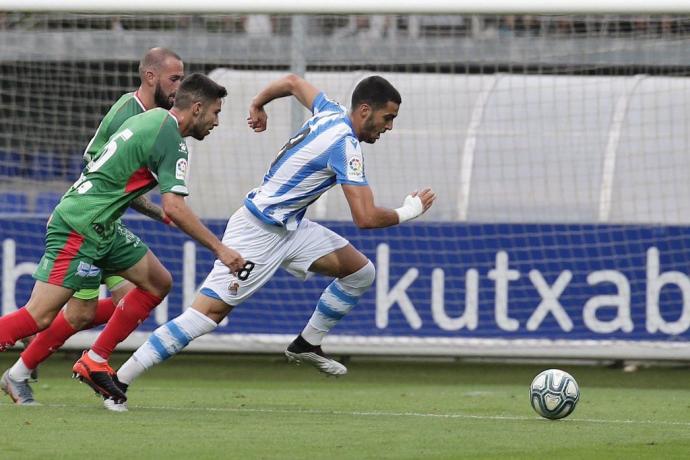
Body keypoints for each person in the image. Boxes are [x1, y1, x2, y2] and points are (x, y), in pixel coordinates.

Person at [107, 74, 436, 412]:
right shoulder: (345, 145)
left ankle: (307, 342)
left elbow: (293, 82)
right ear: (365, 110)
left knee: (361, 273)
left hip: (292, 228)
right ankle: (118, 382)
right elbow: (365, 217)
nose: (389, 127)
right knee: (205, 316)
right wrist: (409, 210)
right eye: (388, 118)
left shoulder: (329, 110)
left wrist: (258, 103)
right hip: (257, 232)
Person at [0, 73, 246, 406]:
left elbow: (124, 183)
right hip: (81, 224)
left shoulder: (152, 119)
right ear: (198, 108)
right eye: (216, 113)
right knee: (39, 316)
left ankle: (95, 359)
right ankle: (25, 372)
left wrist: (162, 216)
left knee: (157, 283)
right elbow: (174, 203)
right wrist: (221, 250)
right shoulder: (172, 138)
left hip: (103, 225)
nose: (217, 121)